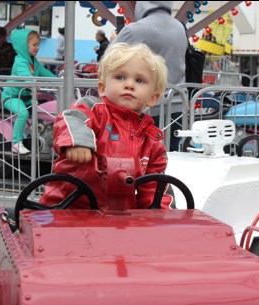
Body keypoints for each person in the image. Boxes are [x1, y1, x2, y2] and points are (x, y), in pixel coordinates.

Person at [39, 43, 172, 210]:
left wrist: (158, 214)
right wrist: (78, 142)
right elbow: (71, 119)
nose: (129, 85)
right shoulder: (93, 111)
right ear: (102, 88)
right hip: (67, 207)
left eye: (140, 80)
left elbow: (154, 187)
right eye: (120, 77)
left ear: (153, 98)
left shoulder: (152, 142)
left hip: (117, 216)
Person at [111, 1, 187, 151]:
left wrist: (115, 39)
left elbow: (108, 62)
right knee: (170, 158)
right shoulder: (179, 28)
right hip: (177, 105)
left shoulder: (134, 30)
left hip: (145, 107)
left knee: (140, 160)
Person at [2, 29, 56, 154]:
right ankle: (16, 143)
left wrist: (60, 80)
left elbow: (43, 72)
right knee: (23, 114)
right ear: (24, 46)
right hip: (12, 96)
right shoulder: (20, 61)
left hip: (25, 97)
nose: (37, 47)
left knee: (44, 111)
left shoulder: (33, 61)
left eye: (38, 45)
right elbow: (26, 76)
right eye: (34, 45)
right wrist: (32, 83)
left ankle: (39, 137)